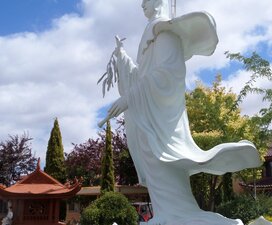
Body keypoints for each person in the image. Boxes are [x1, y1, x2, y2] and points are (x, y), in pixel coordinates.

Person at [99, 0, 261, 224]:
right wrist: (123, 59)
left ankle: (178, 215)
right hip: (149, 120)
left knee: (164, 162)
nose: (142, 6)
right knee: (156, 165)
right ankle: (166, 215)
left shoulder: (166, 34)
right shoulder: (152, 37)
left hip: (162, 122)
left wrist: (130, 97)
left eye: (145, 1)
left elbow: (168, 76)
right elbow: (143, 76)